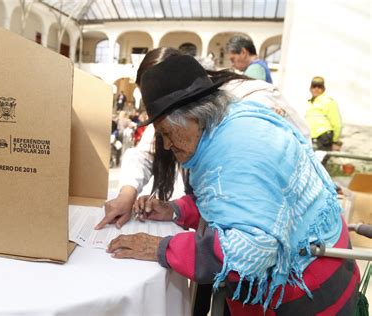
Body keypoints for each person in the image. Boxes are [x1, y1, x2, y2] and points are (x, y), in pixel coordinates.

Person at [104, 55, 359, 314]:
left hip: (309, 296)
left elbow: (248, 251)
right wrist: (176, 210)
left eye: (167, 134)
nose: (166, 145)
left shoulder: (238, 148)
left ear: (194, 117)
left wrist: (162, 248)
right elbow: (235, 202)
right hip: (323, 272)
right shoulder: (227, 123)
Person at [305, 76, 342, 151]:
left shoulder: (328, 101)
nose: (316, 89)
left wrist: (335, 141)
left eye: (319, 87)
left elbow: (337, 123)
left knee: (320, 161)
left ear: (323, 89)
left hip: (323, 137)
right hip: (311, 137)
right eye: (314, 86)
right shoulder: (310, 103)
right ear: (310, 88)